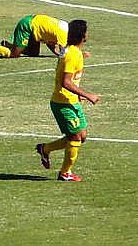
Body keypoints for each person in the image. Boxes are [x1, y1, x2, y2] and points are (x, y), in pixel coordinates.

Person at [35, 20, 100, 182]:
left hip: (70, 101)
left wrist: (78, 95)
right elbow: (66, 82)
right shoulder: (72, 54)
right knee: (75, 137)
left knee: (81, 135)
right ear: (83, 35)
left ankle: (45, 149)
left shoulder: (72, 51)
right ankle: (65, 173)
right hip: (63, 103)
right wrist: (88, 95)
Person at [0, 14, 72, 58]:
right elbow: (63, 55)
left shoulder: (63, 27)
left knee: (34, 53)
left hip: (34, 27)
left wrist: (56, 53)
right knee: (14, 55)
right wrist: (77, 56)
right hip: (27, 26)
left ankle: (8, 45)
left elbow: (49, 42)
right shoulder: (63, 33)